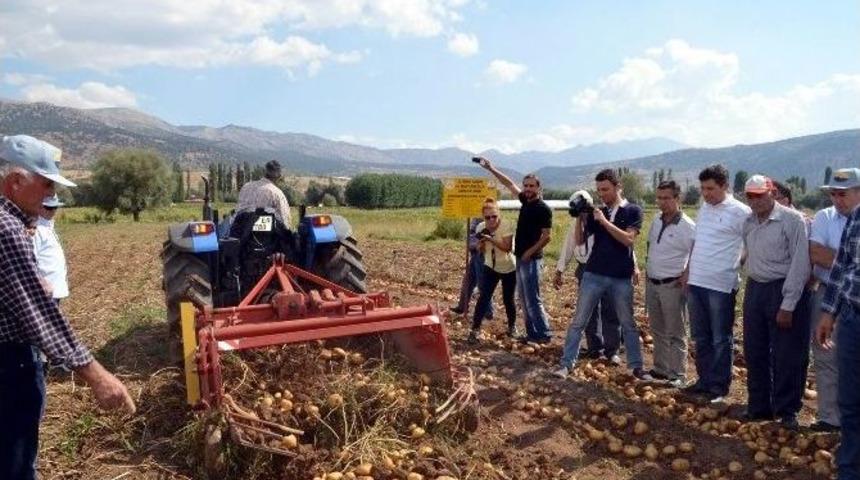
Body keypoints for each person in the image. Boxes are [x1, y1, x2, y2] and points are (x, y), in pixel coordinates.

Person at [0, 135, 135, 480]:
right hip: (9, 364)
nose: (51, 195)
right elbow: (36, 314)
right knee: (15, 463)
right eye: (46, 184)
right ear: (16, 181)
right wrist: (97, 376)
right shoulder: (6, 227)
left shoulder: (17, 224)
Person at [554, 169, 650, 380]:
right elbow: (579, 241)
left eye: (605, 189)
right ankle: (566, 364)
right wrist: (580, 218)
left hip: (620, 278)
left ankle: (636, 367)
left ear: (618, 187)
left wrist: (604, 222)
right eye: (598, 190)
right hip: (593, 274)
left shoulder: (633, 211)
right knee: (579, 321)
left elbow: (629, 240)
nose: (602, 194)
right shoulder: (599, 212)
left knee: (627, 323)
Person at [741, 175, 811, 429]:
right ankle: (759, 407)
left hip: (782, 288)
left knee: (786, 353)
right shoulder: (748, 221)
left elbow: (800, 263)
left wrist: (788, 303)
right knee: (754, 349)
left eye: (760, 195)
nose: (755, 200)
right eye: (750, 196)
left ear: (772, 192)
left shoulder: (792, 220)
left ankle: (787, 411)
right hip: (756, 288)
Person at [682, 164, 751, 403]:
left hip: (721, 284)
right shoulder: (704, 208)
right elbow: (697, 242)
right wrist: (688, 272)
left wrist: (736, 264)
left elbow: (751, 243)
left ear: (725, 186)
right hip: (697, 280)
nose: (706, 193)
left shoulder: (740, 211)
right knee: (701, 336)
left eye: (710, 188)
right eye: (703, 188)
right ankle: (704, 380)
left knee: (721, 337)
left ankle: (719, 387)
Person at [477, 157, 553, 343]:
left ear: (538, 188)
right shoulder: (526, 202)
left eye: (531, 186)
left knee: (533, 298)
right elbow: (508, 183)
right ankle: (531, 334)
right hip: (520, 258)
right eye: (525, 186)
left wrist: (529, 252)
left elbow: (547, 236)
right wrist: (491, 168)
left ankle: (544, 334)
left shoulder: (543, 209)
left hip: (532, 259)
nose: (527, 189)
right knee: (523, 298)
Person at [809, 168, 860, 433]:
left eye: (843, 194)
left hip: (852, 299)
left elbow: (839, 262)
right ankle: (830, 417)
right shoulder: (824, 217)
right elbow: (818, 254)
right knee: (826, 355)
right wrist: (850, 265)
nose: (837, 200)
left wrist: (846, 264)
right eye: (833, 194)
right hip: (830, 293)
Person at [817, 182, 860, 479]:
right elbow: (841, 266)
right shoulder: (857, 217)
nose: (836, 198)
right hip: (852, 318)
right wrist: (828, 312)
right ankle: (850, 468)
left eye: (843, 192)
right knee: (850, 399)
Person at [555, 190, 622, 364]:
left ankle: (612, 350)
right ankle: (595, 348)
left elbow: (619, 241)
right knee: (590, 310)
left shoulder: (603, 219)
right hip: (585, 268)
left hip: (605, 267)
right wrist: (559, 270)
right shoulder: (575, 224)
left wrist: (634, 266)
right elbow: (569, 246)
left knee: (609, 309)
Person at [645, 180, 696, 387]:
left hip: (672, 284)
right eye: (659, 198)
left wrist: (687, 274)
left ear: (678, 198)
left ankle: (678, 375)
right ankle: (661, 369)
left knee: (676, 331)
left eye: (666, 198)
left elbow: (696, 253)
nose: (662, 202)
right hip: (653, 282)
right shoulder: (656, 220)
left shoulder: (688, 226)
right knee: (657, 328)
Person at [467, 199, 517, 343]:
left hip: (508, 267)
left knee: (508, 299)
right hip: (490, 266)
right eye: (487, 217)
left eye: (494, 216)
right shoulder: (481, 227)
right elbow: (479, 250)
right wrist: (481, 243)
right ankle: (474, 330)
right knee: (484, 297)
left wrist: (491, 239)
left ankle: (512, 327)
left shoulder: (506, 225)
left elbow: (507, 247)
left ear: (498, 215)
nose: (491, 220)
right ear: (483, 217)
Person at [450, 216, 493, 320]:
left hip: (481, 254)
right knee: (468, 281)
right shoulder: (474, 216)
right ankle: (462, 306)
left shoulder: (484, 217)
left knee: (482, 284)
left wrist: (476, 245)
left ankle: (488, 312)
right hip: (474, 254)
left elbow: (483, 236)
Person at [32, 194, 69, 304]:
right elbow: (29, 260)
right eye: (49, 207)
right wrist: (42, 283)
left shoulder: (48, 227)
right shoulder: (36, 229)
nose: (52, 211)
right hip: (44, 293)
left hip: (53, 291)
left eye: (55, 207)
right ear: (39, 206)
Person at [236, 160, 291, 226]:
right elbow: (284, 220)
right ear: (279, 175)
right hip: (261, 234)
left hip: (238, 231)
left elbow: (238, 210)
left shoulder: (246, 187)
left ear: (265, 172)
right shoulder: (276, 193)